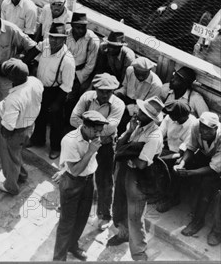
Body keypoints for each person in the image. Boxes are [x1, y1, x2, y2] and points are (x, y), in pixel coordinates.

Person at [0, 1, 40, 159]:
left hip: (4, 74)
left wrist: (15, 64)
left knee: (6, 111)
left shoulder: (11, 30)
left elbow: (34, 48)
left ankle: (6, 144)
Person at [108, 97, 165, 261]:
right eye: (140, 110)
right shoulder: (135, 125)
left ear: (151, 118)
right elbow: (118, 146)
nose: (138, 113)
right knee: (119, 202)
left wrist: (128, 153)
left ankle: (139, 253)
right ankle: (123, 234)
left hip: (140, 176)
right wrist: (129, 132)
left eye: (142, 112)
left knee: (135, 215)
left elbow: (141, 164)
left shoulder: (154, 135)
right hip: (125, 168)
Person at [52, 111, 109, 261]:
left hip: (88, 181)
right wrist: (91, 151)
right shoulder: (70, 141)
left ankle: (72, 246)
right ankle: (59, 258)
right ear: (85, 126)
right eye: (96, 130)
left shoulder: (92, 137)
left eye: (100, 130)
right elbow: (75, 171)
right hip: (72, 182)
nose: (99, 134)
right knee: (67, 223)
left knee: (82, 217)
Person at [70, 73, 124, 230]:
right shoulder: (87, 98)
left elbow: (110, 129)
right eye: (102, 91)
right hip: (84, 141)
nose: (106, 94)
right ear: (95, 89)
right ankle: (75, 206)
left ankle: (105, 214)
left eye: (109, 91)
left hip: (105, 146)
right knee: (79, 174)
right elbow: (73, 118)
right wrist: (94, 131)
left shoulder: (118, 105)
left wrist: (88, 127)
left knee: (105, 181)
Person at [0, 59, 44, 195]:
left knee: (8, 158)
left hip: (15, 131)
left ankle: (11, 186)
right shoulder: (35, 81)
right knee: (16, 154)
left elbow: (8, 128)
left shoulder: (14, 99)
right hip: (29, 125)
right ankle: (21, 175)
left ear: (11, 78)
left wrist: (0, 117)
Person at [30, 23, 76, 159]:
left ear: (64, 39)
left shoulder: (68, 60)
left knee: (56, 121)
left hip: (56, 92)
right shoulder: (45, 44)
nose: (54, 41)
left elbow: (67, 85)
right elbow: (32, 51)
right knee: (39, 116)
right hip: (40, 87)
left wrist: (57, 102)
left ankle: (55, 147)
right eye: (52, 37)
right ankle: (37, 140)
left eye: (58, 38)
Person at [175, 111, 221, 238]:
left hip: (218, 166)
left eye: (207, 130)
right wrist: (182, 164)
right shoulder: (196, 126)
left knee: (207, 183)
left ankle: (198, 221)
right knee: (178, 163)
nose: (203, 132)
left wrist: (191, 173)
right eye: (202, 127)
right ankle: (172, 198)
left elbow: (214, 168)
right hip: (207, 156)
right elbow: (191, 147)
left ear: (216, 128)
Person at [156, 100, 198, 213]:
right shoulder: (169, 118)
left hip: (185, 155)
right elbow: (160, 133)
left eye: (172, 114)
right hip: (169, 150)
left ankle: (172, 198)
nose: (169, 116)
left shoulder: (193, 124)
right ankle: (157, 193)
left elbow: (182, 151)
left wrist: (161, 158)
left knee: (176, 167)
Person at [64, 12, 100, 129]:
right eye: (78, 27)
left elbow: (90, 65)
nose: (80, 30)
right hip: (64, 68)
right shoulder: (66, 34)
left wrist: (77, 78)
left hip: (80, 72)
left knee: (71, 98)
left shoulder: (92, 39)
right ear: (72, 25)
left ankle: (69, 125)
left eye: (83, 27)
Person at [115, 57, 163, 136]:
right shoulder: (129, 71)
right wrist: (117, 93)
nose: (140, 77)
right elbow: (125, 87)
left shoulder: (156, 85)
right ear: (133, 69)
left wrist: (125, 107)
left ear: (149, 71)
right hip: (128, 99)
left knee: (124, 120)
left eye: (144, 75)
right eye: (138, 74)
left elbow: (147, 108)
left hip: (142, 109)